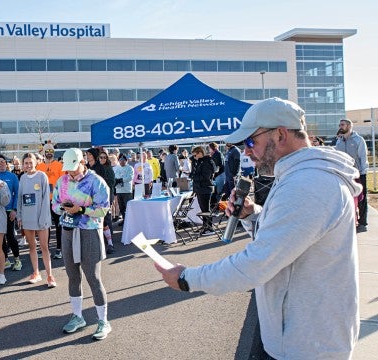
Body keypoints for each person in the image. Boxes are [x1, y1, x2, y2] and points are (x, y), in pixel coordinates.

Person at [155, 97, 361, 359]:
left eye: (251, 141)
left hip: (306, 345)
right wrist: (253, 216)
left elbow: (255, 264)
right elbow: (291, 239)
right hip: (298, 335)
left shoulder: (307, 184)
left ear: (281, 134)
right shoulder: (300, 177)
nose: (247, 151)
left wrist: (187, 279)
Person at [52, 148, 112, 340]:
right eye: (67, 168)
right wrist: (63, 207)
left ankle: (103, 321)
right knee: (72, 275)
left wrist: (82, 209)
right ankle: (78, 316)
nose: (70, 171)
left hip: (89, 231)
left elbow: (103, 210)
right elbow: (54, 204)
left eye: (73, 167)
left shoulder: (96, 181)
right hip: (68, 231)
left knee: (93, 277)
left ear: (82, 162)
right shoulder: (62, 181)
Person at [16, 153, 56, 287]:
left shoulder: (42, 176)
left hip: (41, 218)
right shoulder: (22, 178)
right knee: (32, 246)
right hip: (27, 218)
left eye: (30, 162)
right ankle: (36, 272)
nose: (28, 165)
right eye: (25, 163)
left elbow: (46, 199)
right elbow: (20, 198)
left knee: (44, 247)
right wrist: (19, 216)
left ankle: (50, 275)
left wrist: (43, 217)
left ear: (35, 162)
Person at [335, 118, 369, 232]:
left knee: (361, 199)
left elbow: (363, 157)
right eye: (340, 124)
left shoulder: (358, 140)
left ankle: (363, 223)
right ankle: (349, 221)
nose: (340, 126)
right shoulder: (339, 141)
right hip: (344, 174)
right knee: (346, 197)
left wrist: (363, 173)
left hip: (358, 174)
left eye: (342, 124)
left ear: (349, 126)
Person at [35, 143, 64, 259]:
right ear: (43, 152)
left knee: (58, 225)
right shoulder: (39, 167)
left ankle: (59, 249)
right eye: (47, 151)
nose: (49, 153)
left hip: (56, 200)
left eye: (51, 151)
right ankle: (45, 249)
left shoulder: (59, 166)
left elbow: (63, 183)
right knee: (44, 226)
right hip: (43, 201)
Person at [0, 155, 21, 271]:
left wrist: (14, 209)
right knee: (0, 237)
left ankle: (17, 260)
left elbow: (17, 193)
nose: (1, 164)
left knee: (10, 235)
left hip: (9, 211)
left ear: (6, 163)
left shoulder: (12, 176)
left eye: (3, 162)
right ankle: (5, 260)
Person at [190, 146, 216, 235]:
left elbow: (205, 176)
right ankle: (205, 225)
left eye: (195, 155)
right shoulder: (200, 161)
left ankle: (209, 228)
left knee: (206, 209)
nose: (194, 157)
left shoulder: (207, 162)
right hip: (201, 188)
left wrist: (194, 177)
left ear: (200, 153)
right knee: (203, 209)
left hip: (205, 188)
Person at [113, 154, 134, 225]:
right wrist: (117, 180)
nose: (121, 162)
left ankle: (130, 220)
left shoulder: (130, 168)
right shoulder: (117, 168)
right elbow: (116, 176)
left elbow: (130, 177)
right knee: (121, 207)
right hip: (119, 190)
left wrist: (121, 179)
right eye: (120, 160)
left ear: (126, 161)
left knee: (127, 206)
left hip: (127, 190)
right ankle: (124, 219)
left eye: (123, 160)